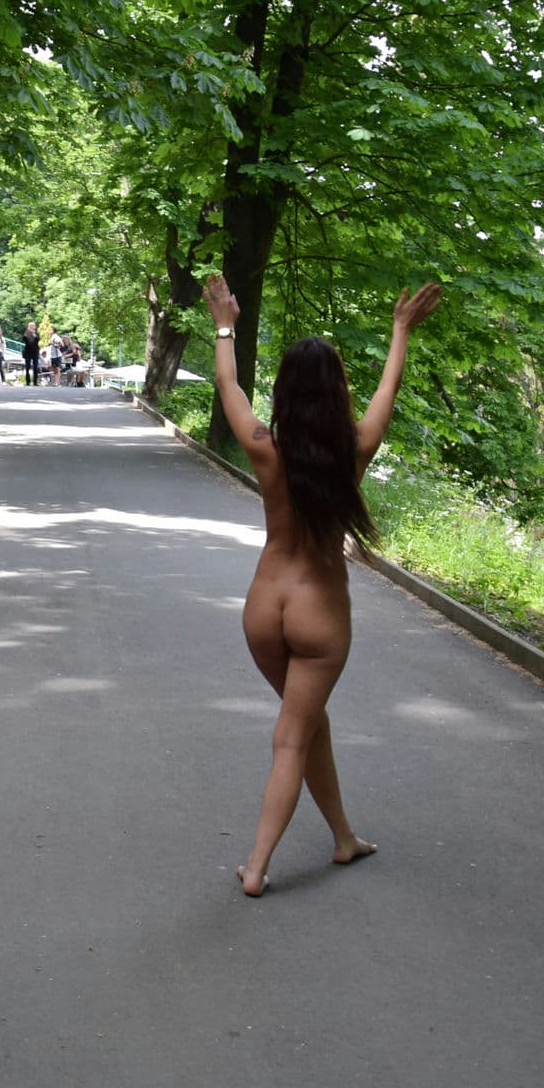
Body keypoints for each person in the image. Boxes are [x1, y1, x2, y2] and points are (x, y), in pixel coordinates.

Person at [204, 270, 441, 896]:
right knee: (292, 737)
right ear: (338, 392)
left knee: (307, 723)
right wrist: (400, 329)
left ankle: (343, 837)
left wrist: (225, 326)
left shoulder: (265, 447)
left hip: (264, 608)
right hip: (319, 614)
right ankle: (257, 868)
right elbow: (389, 387)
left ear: (284, 391)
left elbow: (228, 385)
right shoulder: (357, 446)